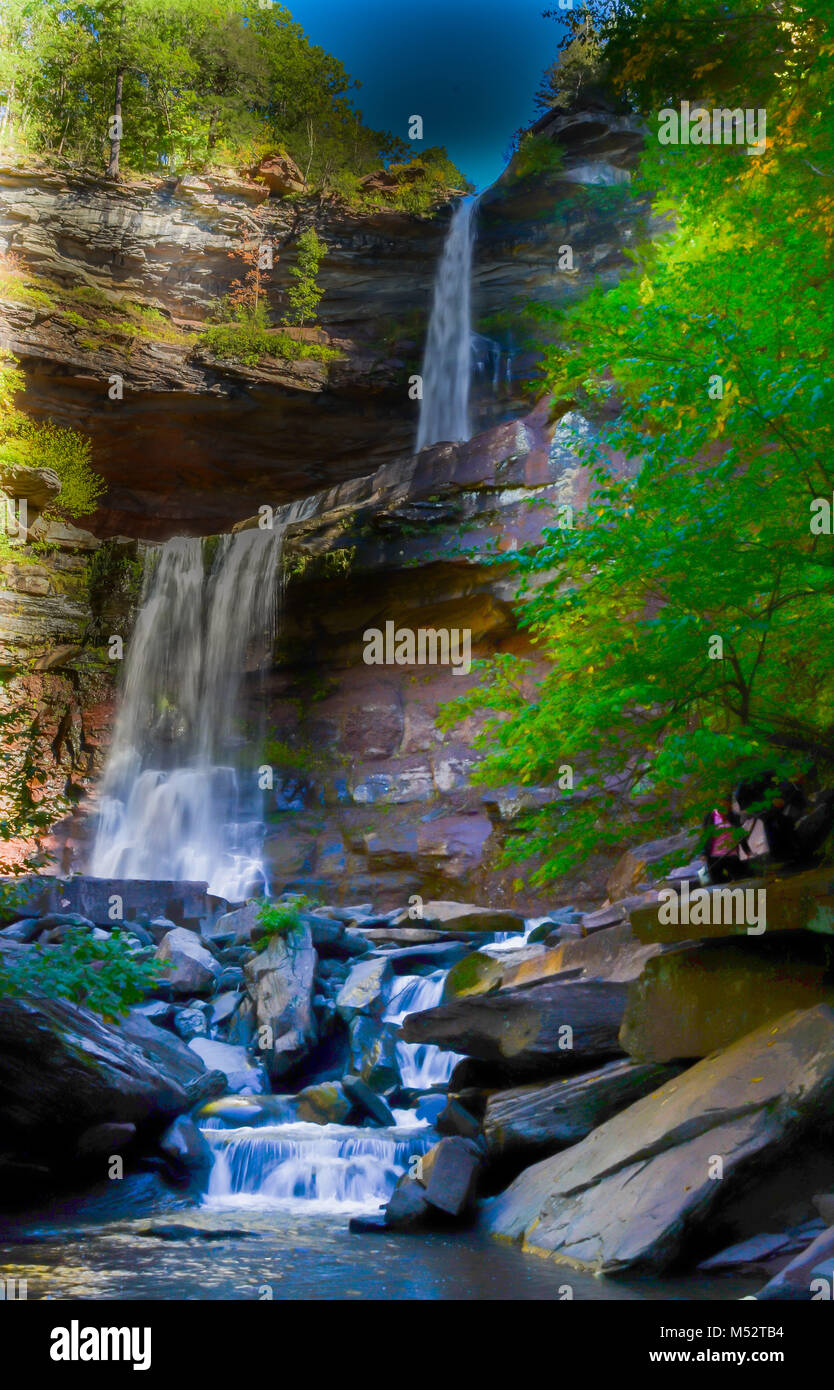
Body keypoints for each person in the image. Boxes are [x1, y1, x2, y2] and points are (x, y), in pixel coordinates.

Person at [702, 799, 751, 882]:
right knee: (719, 885)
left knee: (742, 880)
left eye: (726, 803)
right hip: (714, 857)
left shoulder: (734, 817)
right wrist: (703, 853)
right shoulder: (710, 818)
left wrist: (747, 850)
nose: (724, 805)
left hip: (731, 854)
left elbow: (740, 835)